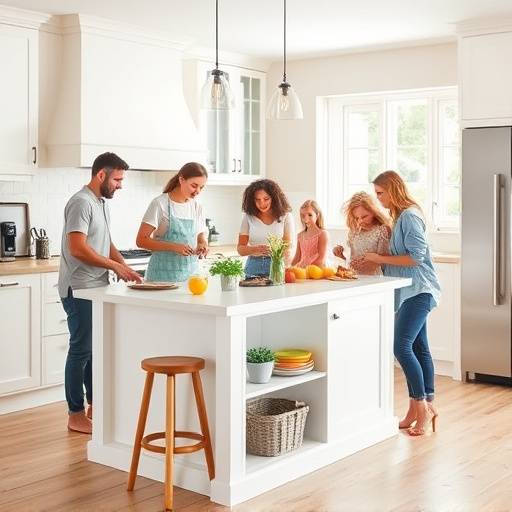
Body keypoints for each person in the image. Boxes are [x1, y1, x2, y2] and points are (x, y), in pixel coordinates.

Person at [58, 152, 143, 434]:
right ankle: (75, 413)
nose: (120, 185)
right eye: (117, 179)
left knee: (95, 350)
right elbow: (78, 248)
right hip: (79, 287)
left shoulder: (101, 203)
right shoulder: (81, 202)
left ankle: (95, 405)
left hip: (96, 286)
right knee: (81, 349)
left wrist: (125, 267)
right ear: (101, 175)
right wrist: (116, 268)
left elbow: (105, 243)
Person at [363, 170, 441, 436]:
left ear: (393, 189)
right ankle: (421, 406)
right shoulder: (401, 216)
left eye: (380, 193)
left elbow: (416, 257)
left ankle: (422, 409)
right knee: (420, 348)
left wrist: (379, 259)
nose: (379, 199)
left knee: (401, 347)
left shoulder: (409, 215)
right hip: (411, 291)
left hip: (419, 290)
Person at [136, 162, 209, 282]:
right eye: (194, 185)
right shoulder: (160, 204)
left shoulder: (197, 207)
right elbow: (141, 240)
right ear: (181, 180)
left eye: (201, 187)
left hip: (190, 278)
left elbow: (201, 234)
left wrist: (202, 244)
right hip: (161, 278)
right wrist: (173, 247)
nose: (198, 191)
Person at [237, 179, 294, 277]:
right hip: (253, 267)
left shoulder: (285, 216)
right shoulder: (248, 217)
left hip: (277, 267)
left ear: (274, 198)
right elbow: (240, 249)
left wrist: (275, 252)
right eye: (257, 200)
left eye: (266, 199)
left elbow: (287, 247)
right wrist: (253, 249)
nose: (261, 203)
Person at [333, 192, 391, 275]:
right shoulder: (354, 232)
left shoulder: (382, 230)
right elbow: (350, 261)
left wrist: (366, 265)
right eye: (357, 218)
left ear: (374, 212)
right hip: (355, 277)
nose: (360, 221)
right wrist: (341, 255)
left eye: (364, 217)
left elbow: (384, 261)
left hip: (374, 278)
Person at [291, 199, 329, 268]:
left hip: (317, 272)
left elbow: (321, 259)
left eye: (310, 215)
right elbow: (297, 258)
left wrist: (306, 268)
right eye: (303, 215)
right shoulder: (300, 235)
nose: (306, 219)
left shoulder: (323, 234)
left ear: (317, 215)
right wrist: (289, 268)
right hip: (303, 273)